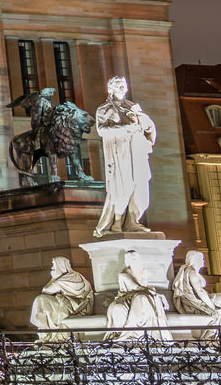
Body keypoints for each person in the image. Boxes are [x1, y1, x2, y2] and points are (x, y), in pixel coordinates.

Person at [92, 74, 158, 238]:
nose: (123, 87)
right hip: (120, 152)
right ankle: (117, 222)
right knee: (123, 186)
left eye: (124, 84)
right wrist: (125, 128)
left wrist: (142, 120)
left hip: (137, 151)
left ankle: (133, 222)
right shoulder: (104, 109)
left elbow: (149, 128)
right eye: (119, 85)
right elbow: (101, 130)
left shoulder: (133, 107)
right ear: (111, 88)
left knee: (140, 187)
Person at [172, 249, 221, 334]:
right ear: (195, 260)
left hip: (202, 298)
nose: (203, 261)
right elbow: (200, 292)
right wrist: (212, 307)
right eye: (201, 259)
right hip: (199, 301)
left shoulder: (189, 271)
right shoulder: (192, 273)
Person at [104, 259, 171, 340]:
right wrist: (156, 294)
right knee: (119, 307)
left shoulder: (143, 273)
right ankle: (129, 336)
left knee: (141, 299)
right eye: (131, 259)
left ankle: (136, 336)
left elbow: (142, 287)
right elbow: (136, 287)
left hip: (139, 296)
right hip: (128, 297)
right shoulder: (124, 274)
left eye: (135, 258)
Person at [29, 255, 92, 338]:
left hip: (73, 306)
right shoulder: (76, 275)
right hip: (74, 304)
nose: (52, 268)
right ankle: (45, 331)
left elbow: (46, 290)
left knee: (41, 299)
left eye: (54, 266)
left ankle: (46, 332)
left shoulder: (64, 280)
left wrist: (53, 278)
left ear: (60, 266)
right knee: (43, 301)